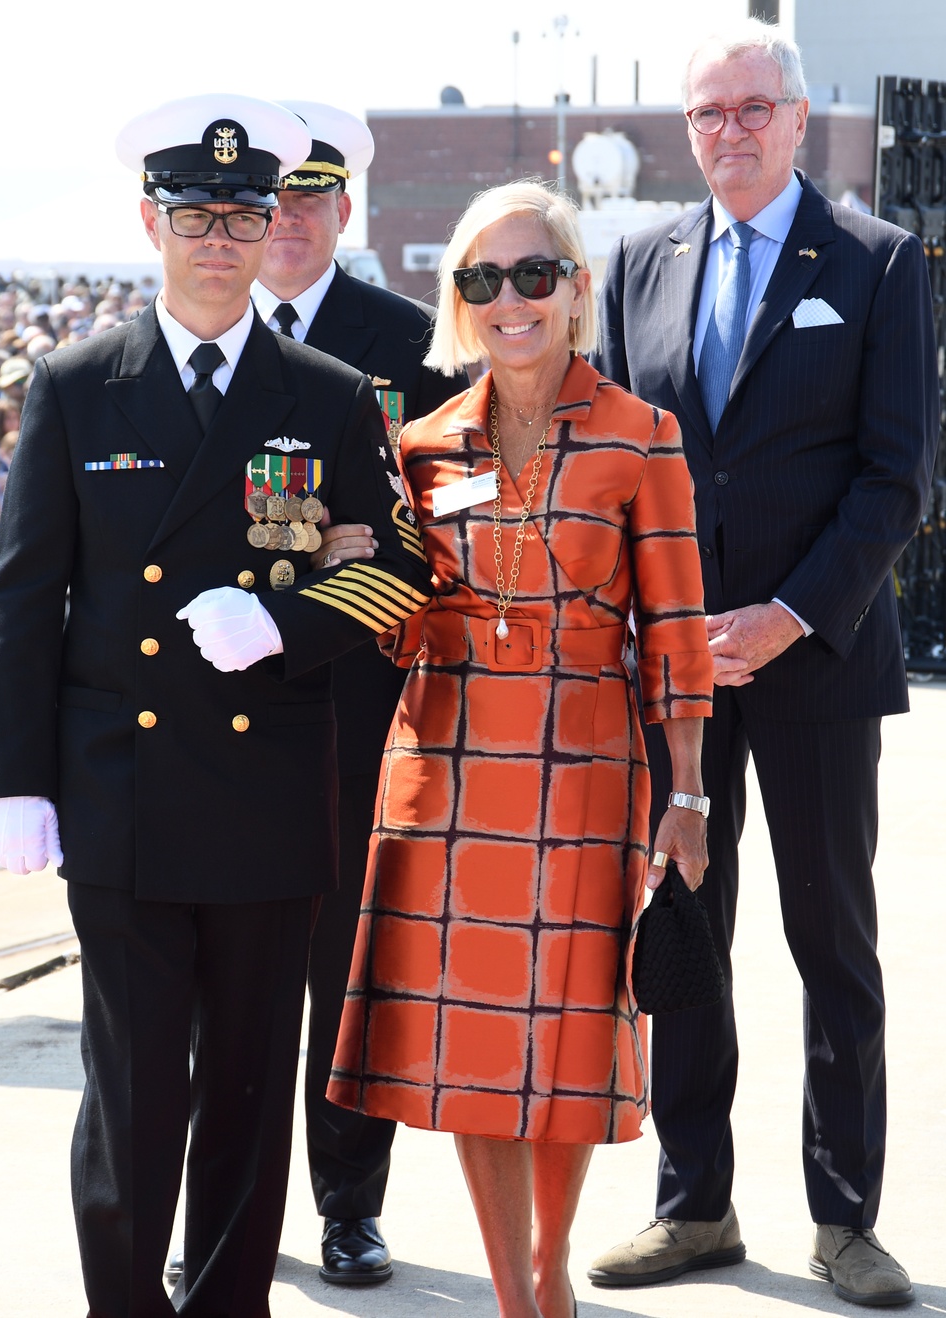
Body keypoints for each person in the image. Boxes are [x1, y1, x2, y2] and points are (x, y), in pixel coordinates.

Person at [0, 92, 431, 1318]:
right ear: (151, 221)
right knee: (132, 1097)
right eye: (197, 212)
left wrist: (286, 624)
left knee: (243, 1088)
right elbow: (25, 596)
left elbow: (400, 570)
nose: (223, 234)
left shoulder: (329, 390)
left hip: (269, 787)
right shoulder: (77, 382)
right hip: (120, 790)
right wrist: (13, 776)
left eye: (245, 211)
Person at [589, 20, 938, 1309]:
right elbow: (618, 471)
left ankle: (845, 1219)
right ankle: (694, 1204)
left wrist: (787, 615)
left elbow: (895, 473)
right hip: (678, 674)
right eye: (706, 113)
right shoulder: (637, 262)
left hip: (817, 660)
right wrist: (650, 626)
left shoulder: (876, 260)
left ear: (796, 118)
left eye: (750, 107)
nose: (727, 130)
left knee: (830, 940)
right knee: (683, 925)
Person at [327, 180, 714, 1318]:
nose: (509, 300)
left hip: (588, 771)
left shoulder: (644, 440)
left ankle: (549, 1264)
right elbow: (405, 628)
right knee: (466, 1052)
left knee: (568, 1036)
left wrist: (687, 795)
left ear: (575, 289)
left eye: (532, 275)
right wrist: (360, 570)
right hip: (441, 773)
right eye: (481, 280)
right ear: (457, 301)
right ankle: (519, 1292)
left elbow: (678, 635)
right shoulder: (421, 444)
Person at [249, 100, 464, 1287]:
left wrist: (379, 549)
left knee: (347, 975)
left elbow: (456, 518)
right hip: (214, 714)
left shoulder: (411, 337)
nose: (283, 220)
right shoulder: (203, 320)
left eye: (308, 198)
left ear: (346, 208)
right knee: (225, 981)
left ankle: (348, 1207)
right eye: (264, 200)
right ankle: (226, 1210)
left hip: (356, 707)